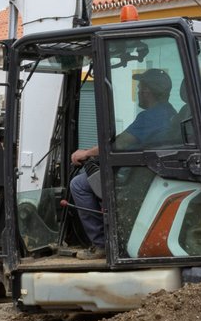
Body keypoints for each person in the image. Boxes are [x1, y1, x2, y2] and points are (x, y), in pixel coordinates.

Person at [68, 68, 175, 253]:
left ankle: (102, 245)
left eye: (140, 87)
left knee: (79, 184)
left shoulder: (150, 117)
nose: (138, 91)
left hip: (136, 175)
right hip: (145, 171)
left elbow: (120, 144)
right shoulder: (168, 112)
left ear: (147, 91)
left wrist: (86, 153)